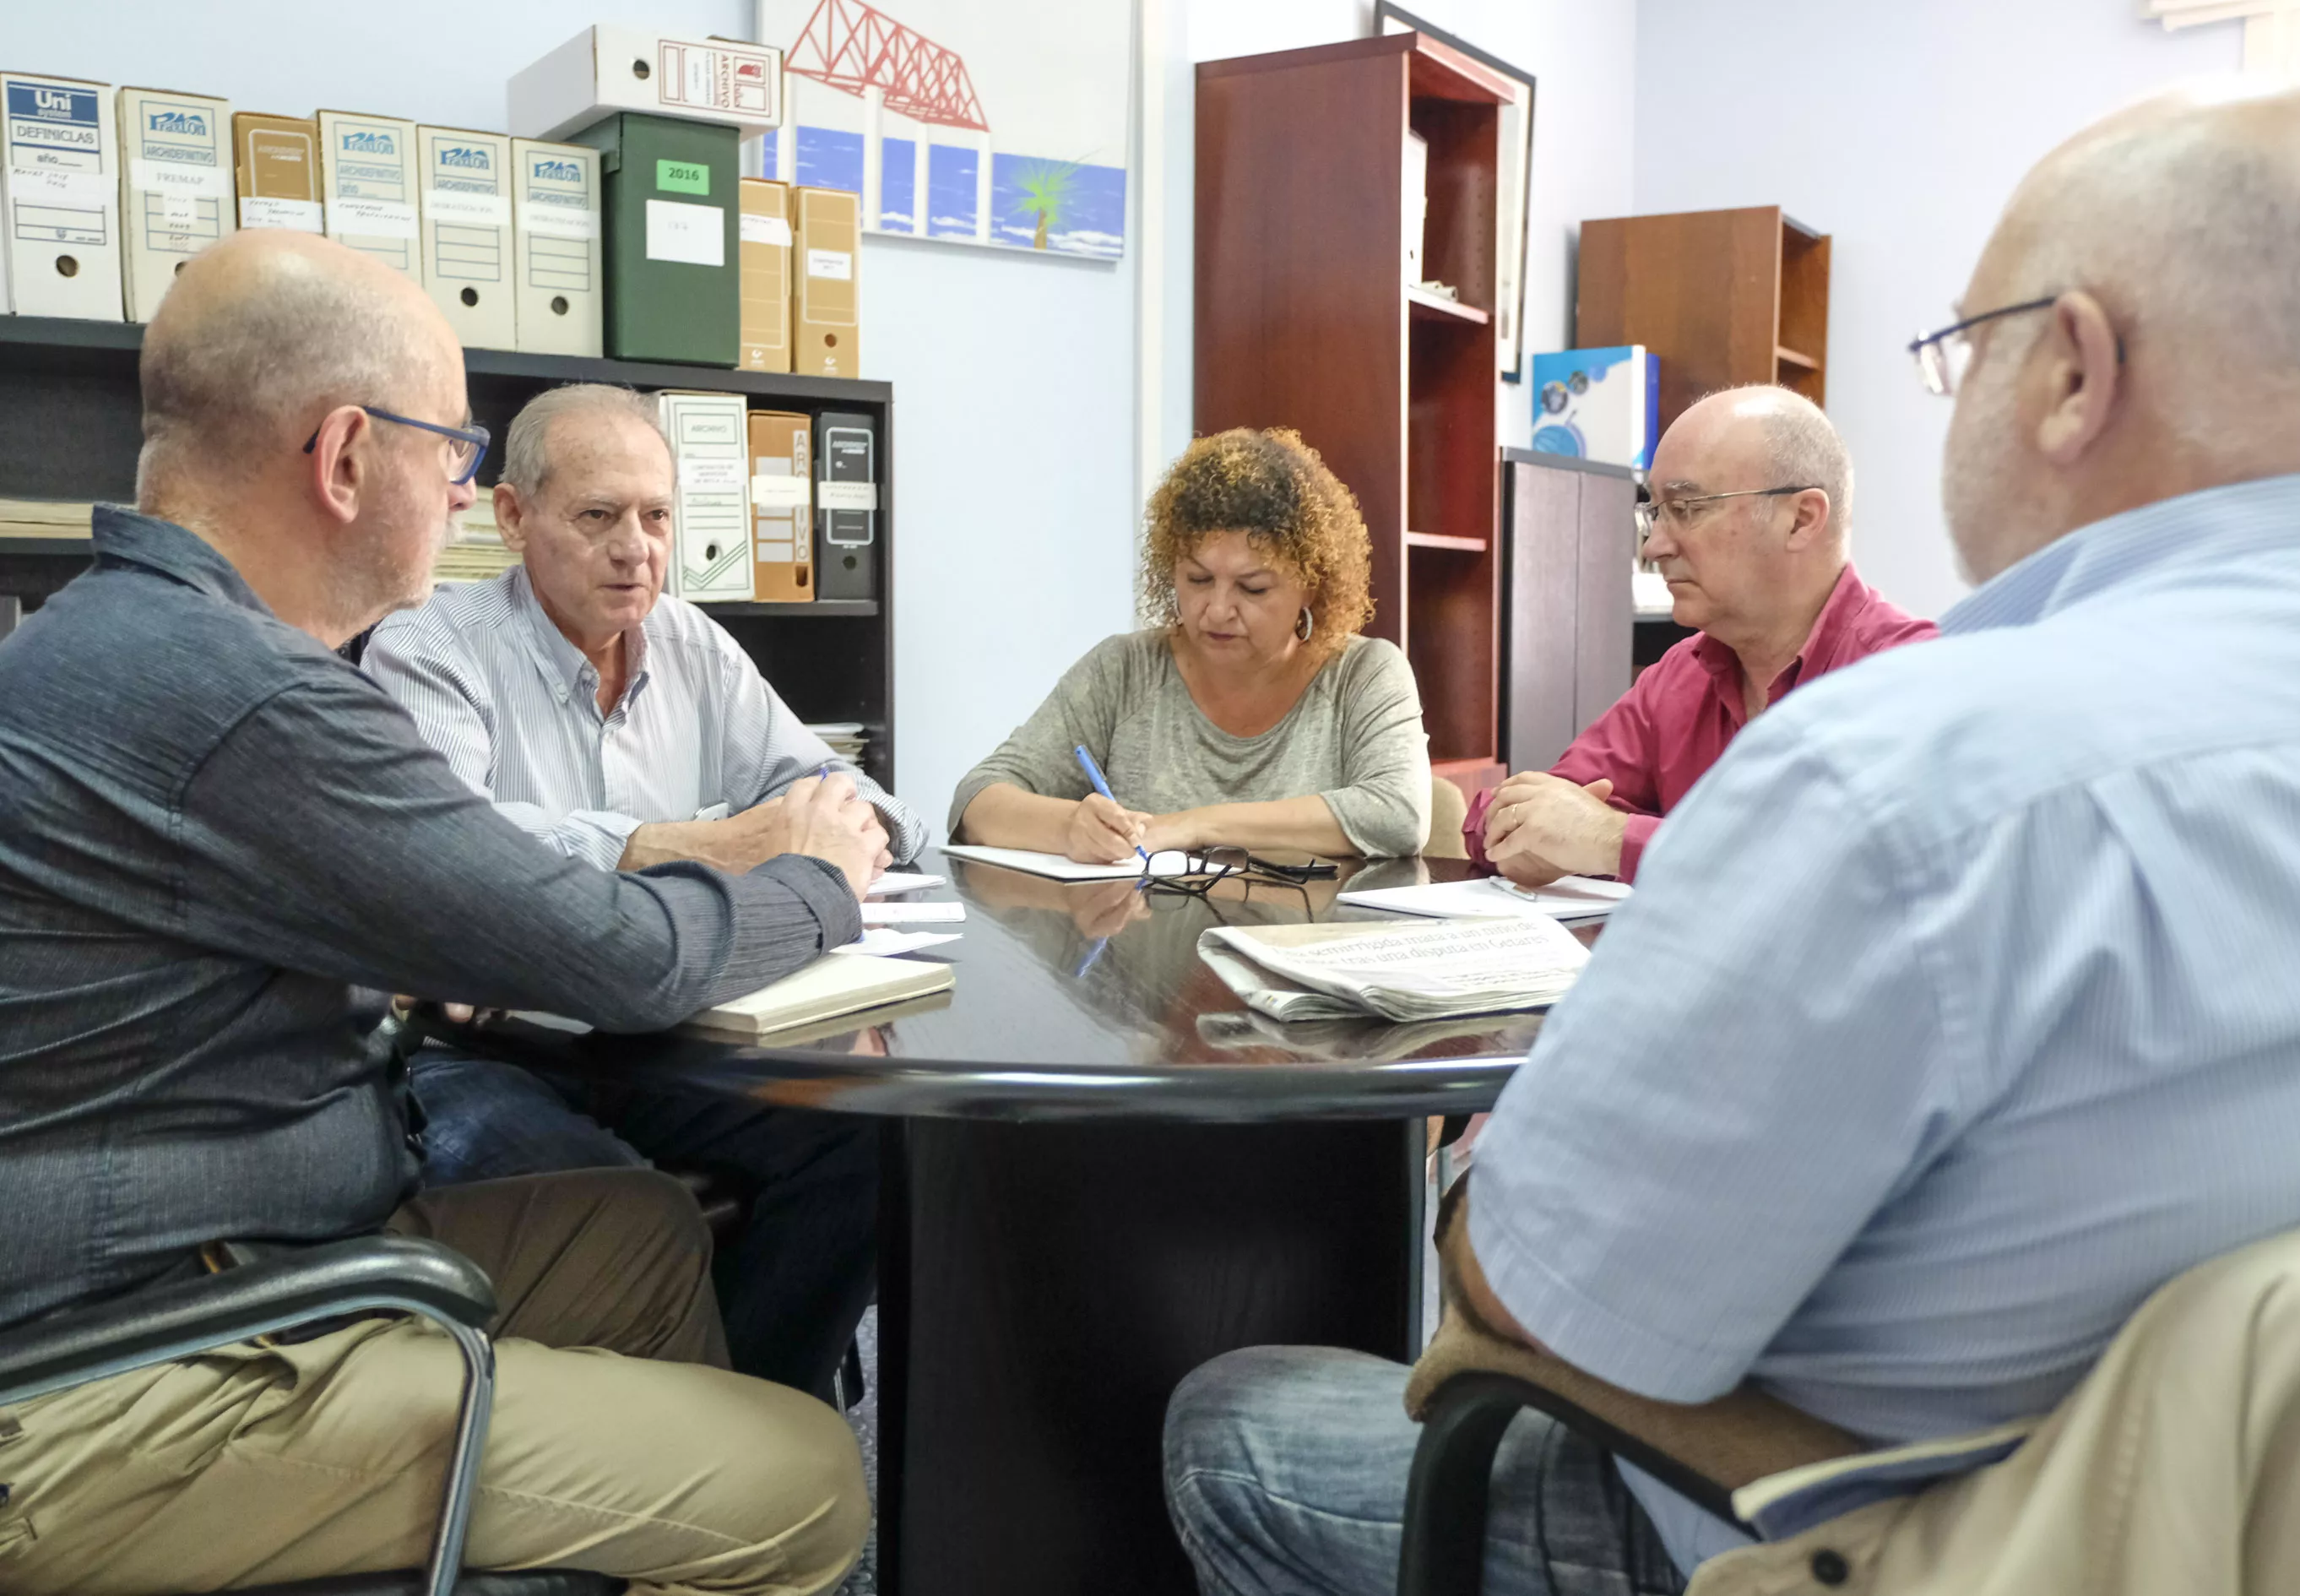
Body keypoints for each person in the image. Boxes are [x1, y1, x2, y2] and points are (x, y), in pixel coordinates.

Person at [1164, 81, 2300, 1596]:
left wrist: (1494, 1157)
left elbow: (1535, 1297)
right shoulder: (1785, 714)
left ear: (2074, 370)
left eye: (1964, 352)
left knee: (1233, 1419)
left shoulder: (1919, 774)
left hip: (1869, 1527)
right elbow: (1545, 795)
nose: (1659, 539)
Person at [0, 229, 877, 1593]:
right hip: (138, 1368)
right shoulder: (251, 698)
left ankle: (627, 1532)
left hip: (226, 1249)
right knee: (808, 1483)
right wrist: (815, 879)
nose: (468, 500)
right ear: (348, 457)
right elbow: (626, 958)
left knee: (638, 1237)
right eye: (456, 455)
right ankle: (704, 1511)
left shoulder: (106, 637)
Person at [362, 383, 925, 1399]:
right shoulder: (430, 648)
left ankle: (757, 1420)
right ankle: (678, 1457)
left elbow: (851, 798)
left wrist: (853, 825)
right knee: (602, 1201)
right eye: (598, 517)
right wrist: (727, 841)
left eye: (657, 517)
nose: (637, 550)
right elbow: (463, 852)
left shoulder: (691, 641)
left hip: (669, 1036)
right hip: (487, 1049)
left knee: (877, 1145)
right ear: (512, 516)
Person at [1468, 386, 1935, 885]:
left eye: (1687, 507)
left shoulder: (1912, 679)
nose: (1653, 546)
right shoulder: (1679, 674)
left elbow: (1841, 879)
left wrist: (1611, 840)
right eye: (1655, 512)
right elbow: (1512, 812)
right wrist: (1523, 832)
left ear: (1800, 520)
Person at [951, 427, 1430, 863]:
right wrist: (1069, 828)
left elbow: (1397, 814)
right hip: (1147, 953)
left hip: (1307, 949)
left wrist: (1195, 825)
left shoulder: (1363, 674)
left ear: (1312, 584)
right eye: (1198, 579)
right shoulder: (1124, 670)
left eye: (1253, 588)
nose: (1217, 610)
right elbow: (977, 800)